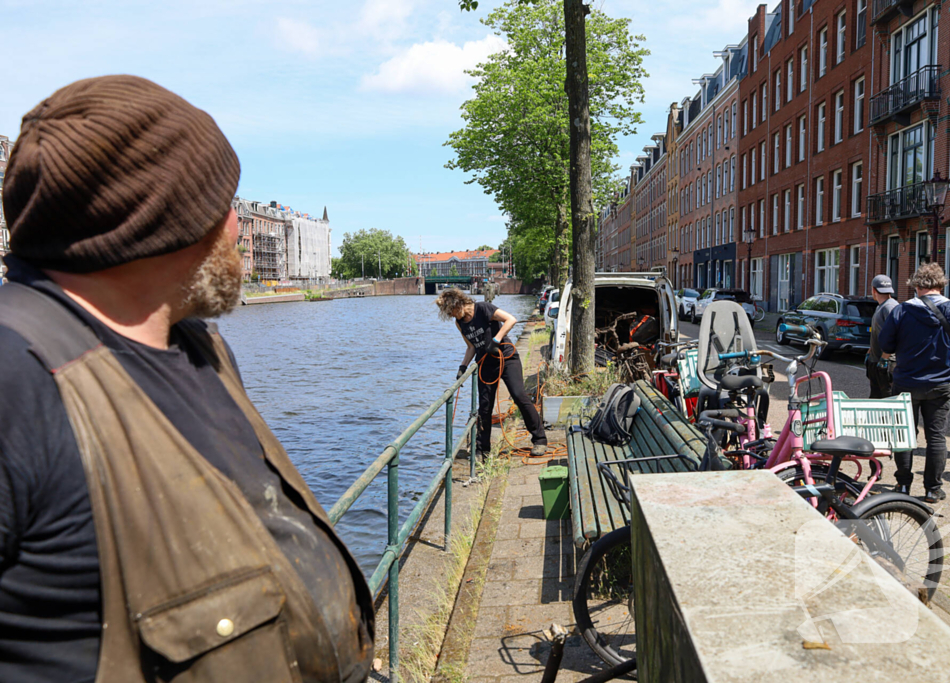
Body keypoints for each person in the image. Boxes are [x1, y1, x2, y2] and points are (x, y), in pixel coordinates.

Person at [0, 76, 373, 682]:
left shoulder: (200, 348)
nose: (236, 230)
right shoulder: (16, 382)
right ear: (160, 221)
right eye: (224, 205)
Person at [879, 263, 950, 503]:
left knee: (904, 433)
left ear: (916, 285)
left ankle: (902, 485)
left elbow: (886, 345)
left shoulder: (901, 311)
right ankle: (933, 489)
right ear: (942, 285)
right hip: (941, 382)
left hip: (906, 381)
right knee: (936, 436)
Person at [436, 288, 547, 458]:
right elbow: (471, 346)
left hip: (506, 357)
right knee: (485, 407)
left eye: (451, 311)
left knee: (519, 395)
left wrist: (496, 340)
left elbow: (511, 319)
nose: (451, 315)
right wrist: (463, 367)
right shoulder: (460, 323)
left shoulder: (483, 308)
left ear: (458, 304)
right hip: (485, 364)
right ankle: (482, 450)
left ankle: (539, 439)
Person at [865, 274, 899, 399]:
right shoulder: (881, 306)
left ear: (873, 290)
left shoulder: (890, 307)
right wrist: (870, 352)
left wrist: (885, 358)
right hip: (877, 361)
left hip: (886, 364)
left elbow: (896, 334)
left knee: (888, 399)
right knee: (875, 398)